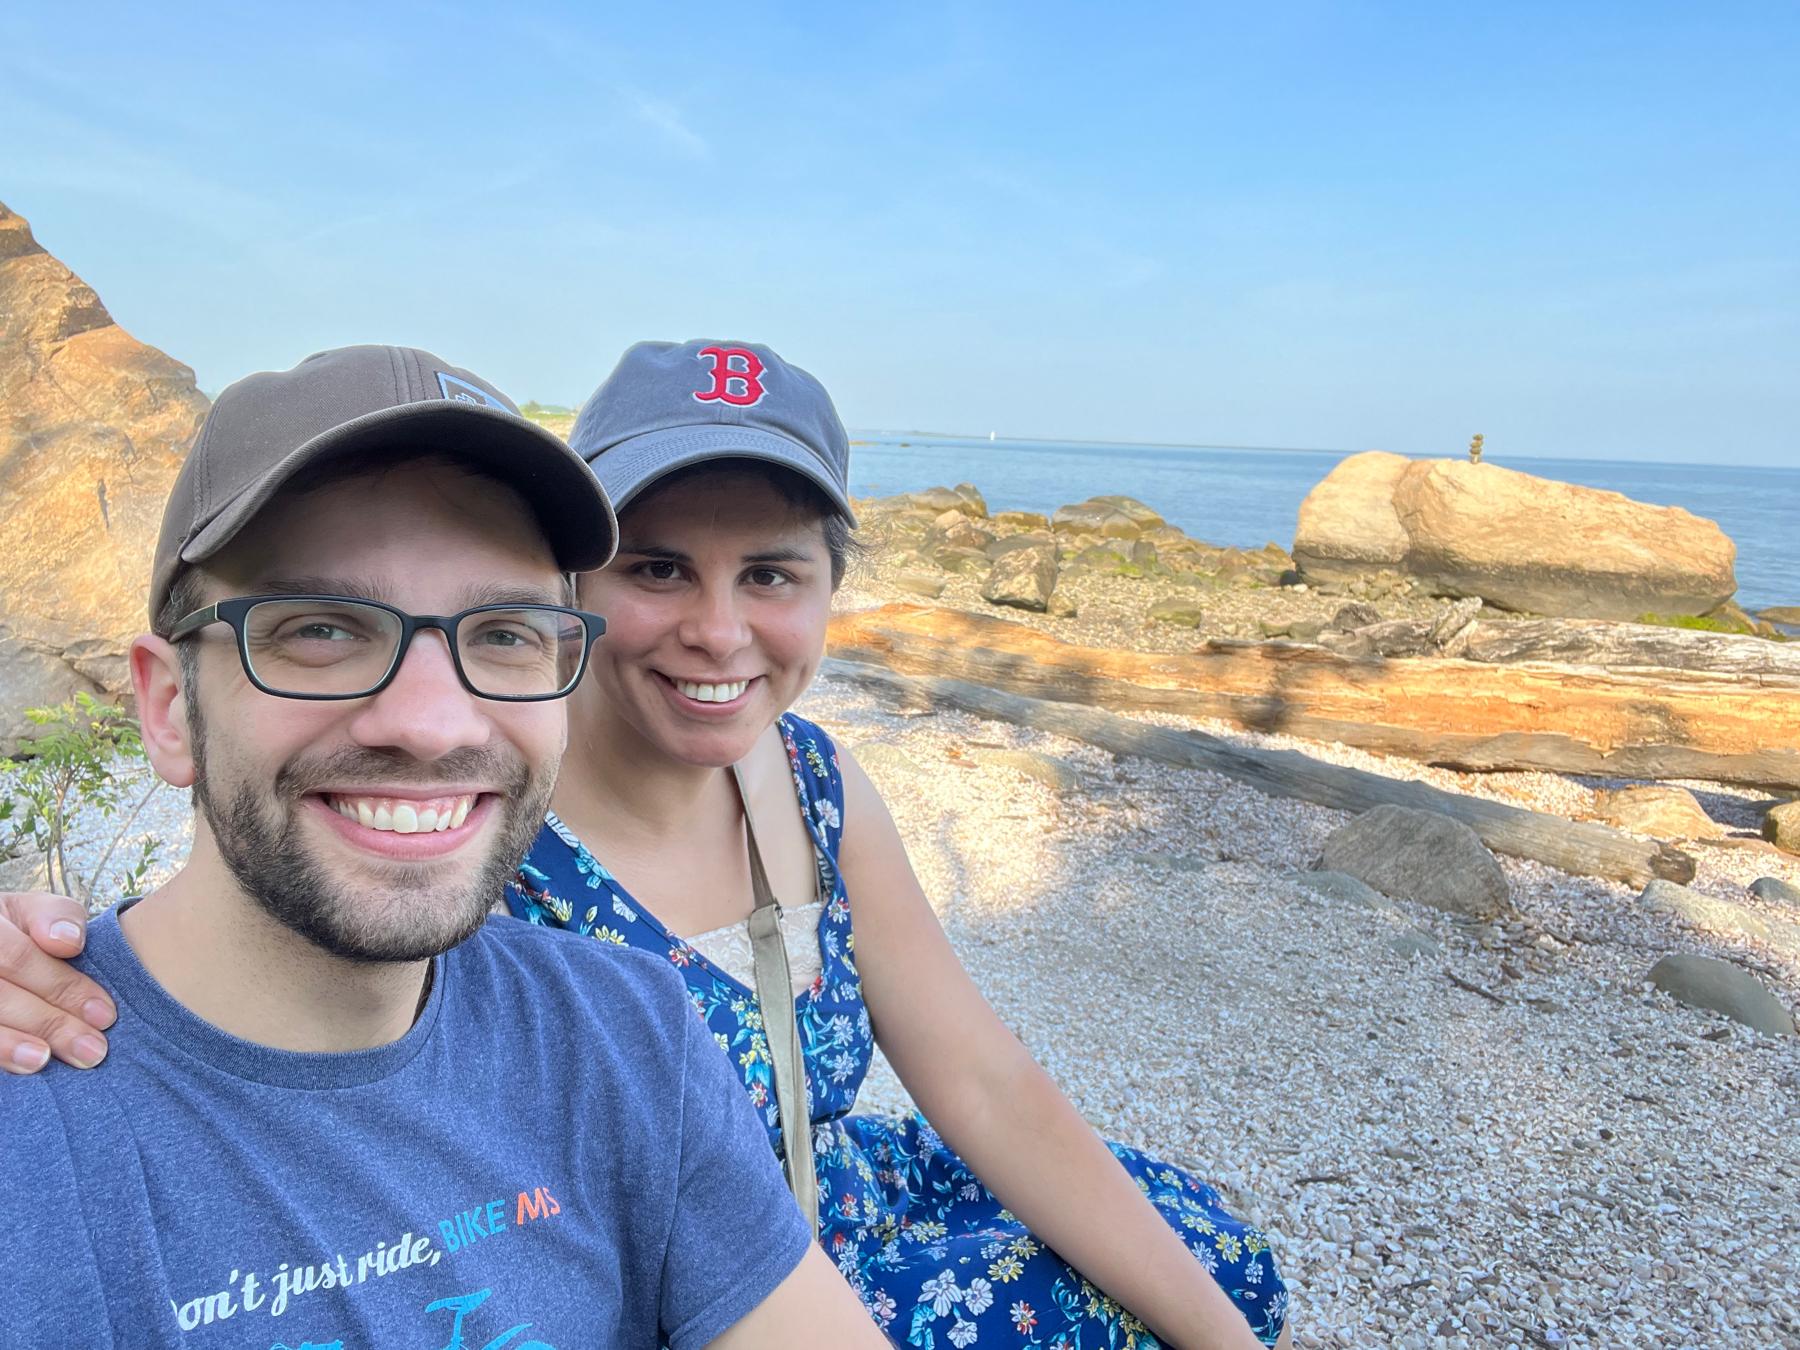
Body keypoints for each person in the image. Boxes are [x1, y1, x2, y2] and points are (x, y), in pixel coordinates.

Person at [1, 340, 1291, 1349]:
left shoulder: (765, 841)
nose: (720, 634)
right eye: (662, 570)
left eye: (773, 576)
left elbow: (985, 1080)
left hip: (793, 1230)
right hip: (685, 1268)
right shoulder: (469, 864)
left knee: (1213, 1257)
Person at [0, 346, 886, 1349]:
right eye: (323, 629)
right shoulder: (34, 1122)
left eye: (504, 633)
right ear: (167, 706)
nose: (429, 724)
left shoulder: (627, 1035)